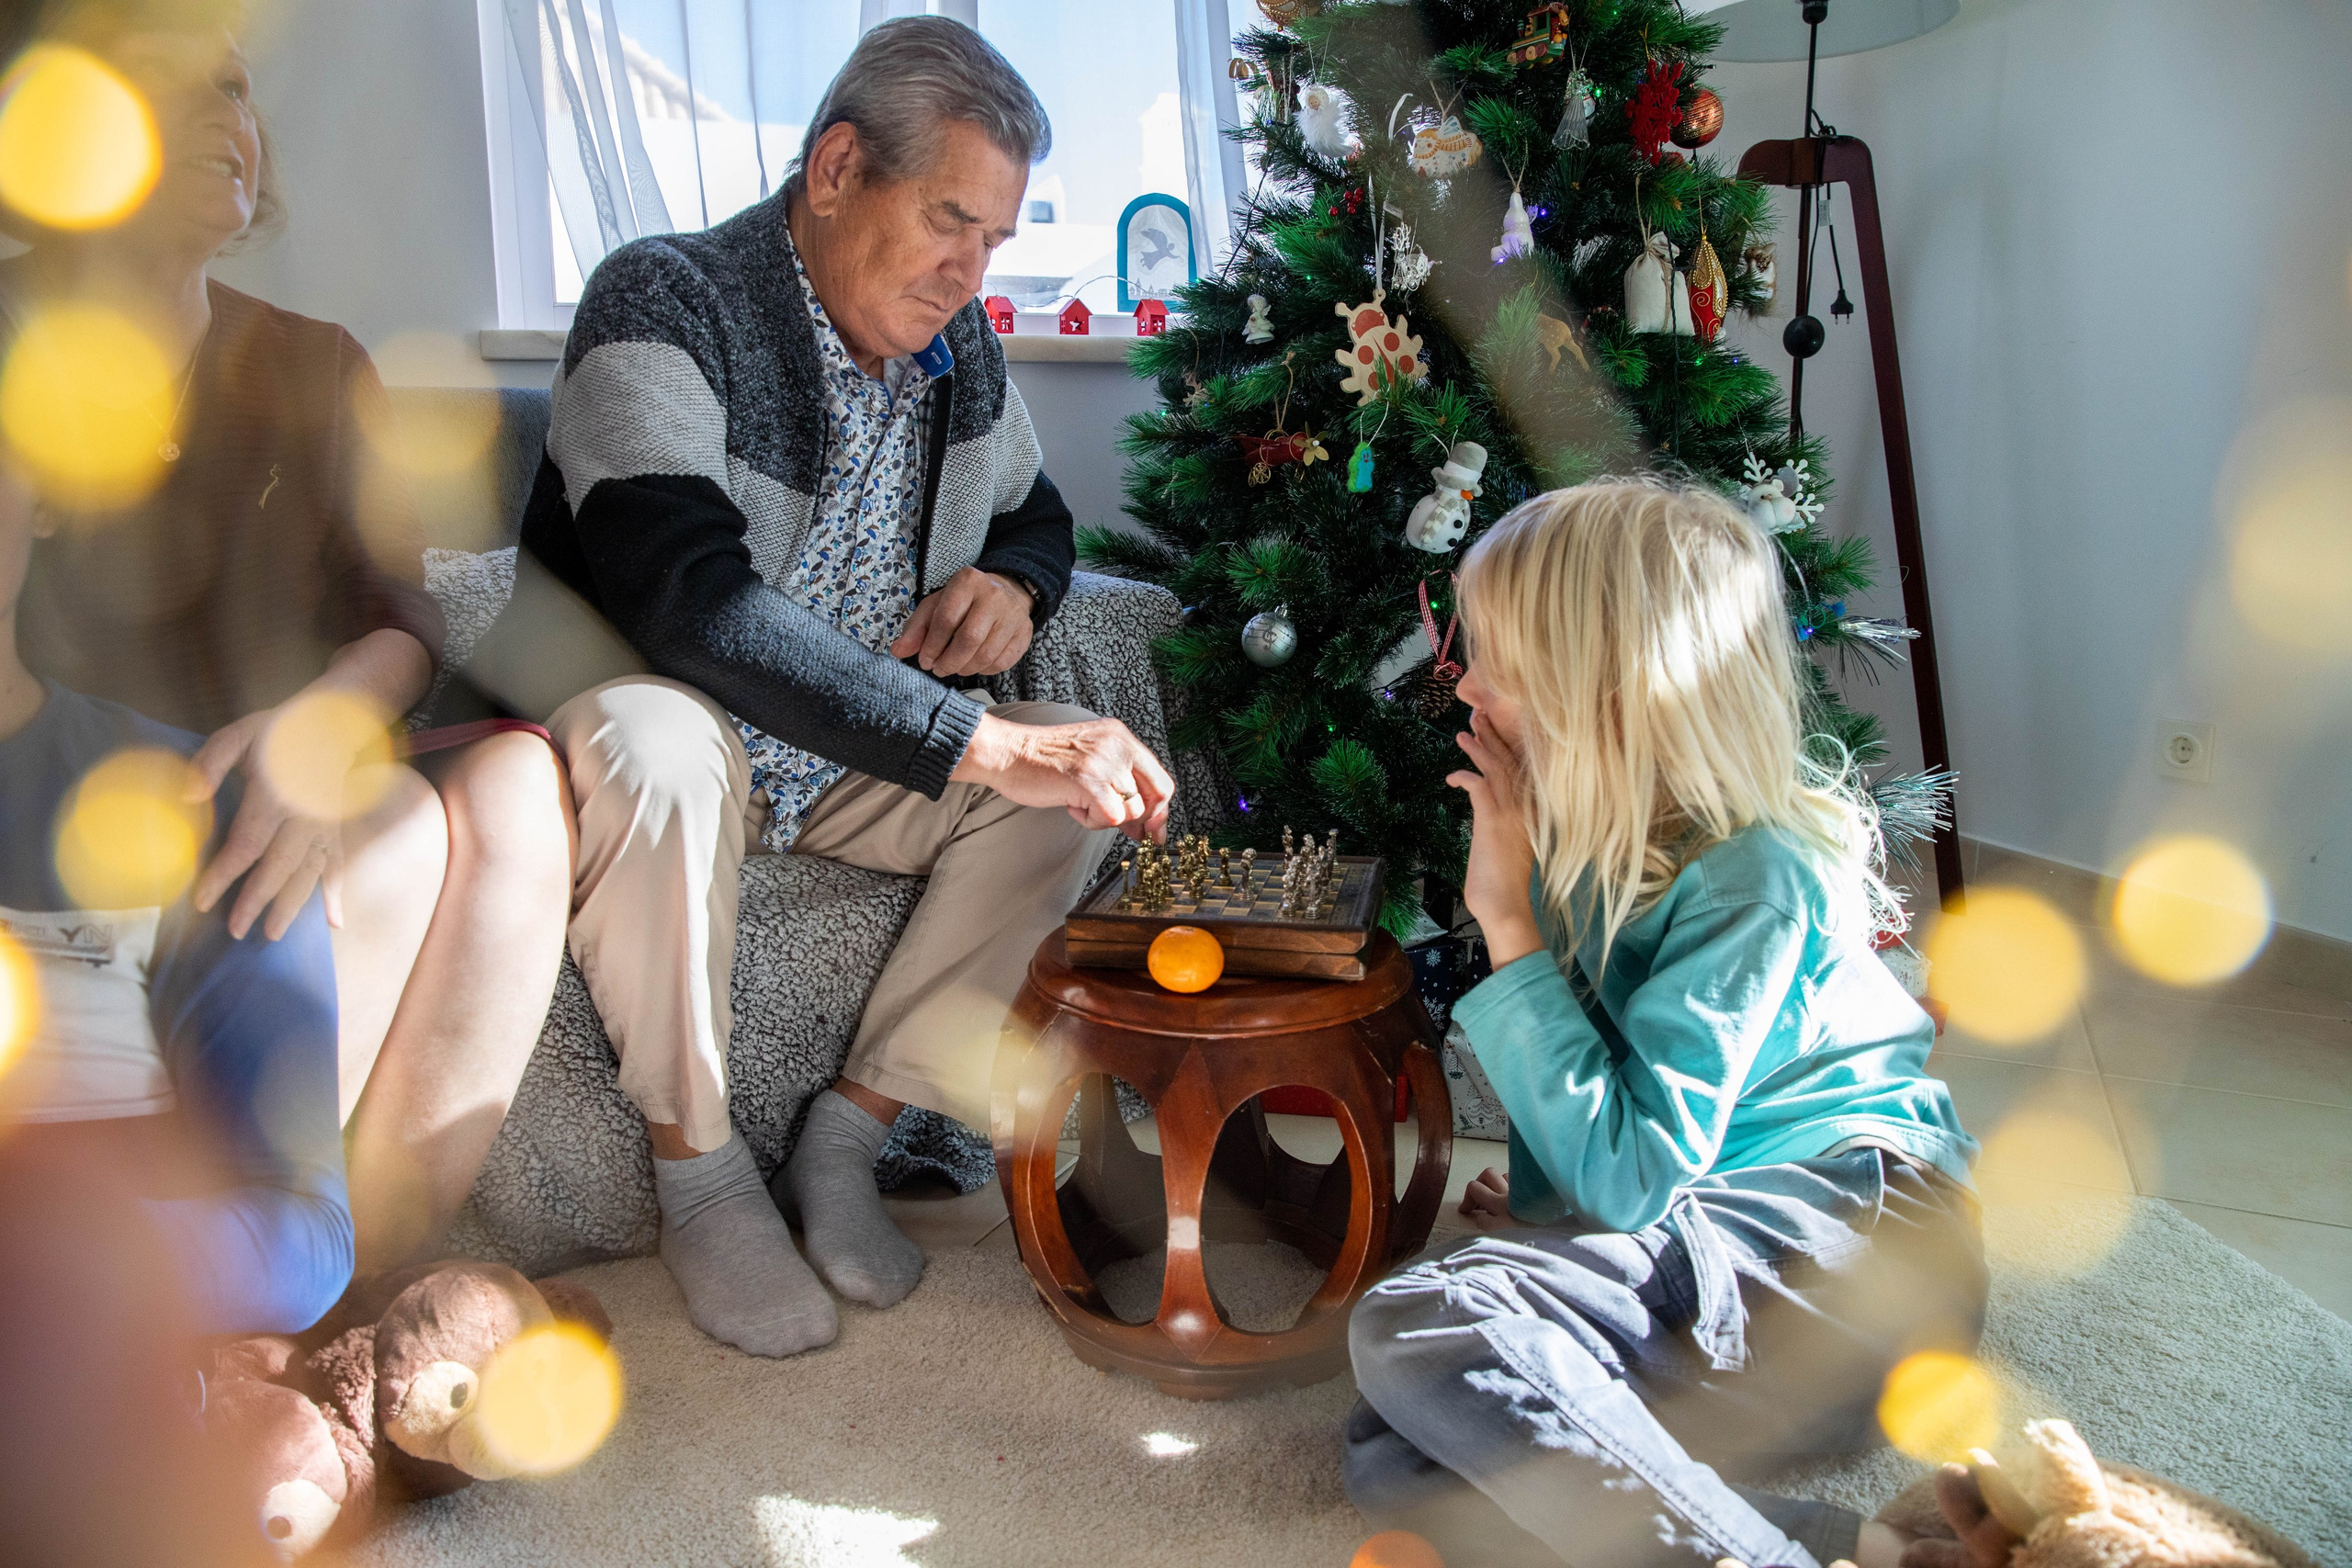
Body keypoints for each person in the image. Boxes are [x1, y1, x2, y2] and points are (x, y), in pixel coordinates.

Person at [507, 16, 1171, 1359]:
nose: (968, 270)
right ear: (833, 168)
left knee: (1075, 779)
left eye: (994, 238)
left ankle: (849, 1132)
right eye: (948, 219)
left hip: (852, 759)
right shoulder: (667, 300)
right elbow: (685, 604)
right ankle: (700, 1175)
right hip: (666, 716)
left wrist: (1018, 588)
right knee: (665, 744)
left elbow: (1041, 513)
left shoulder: (956, 352)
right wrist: (971, 737)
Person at [2, 0, 574, 1278]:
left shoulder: (315, 365)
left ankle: (363, 1286)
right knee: (403, 832)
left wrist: (320, 731)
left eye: (238, 90)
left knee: (519, 789)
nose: (230, 118)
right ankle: (226, 1281)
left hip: (288, 760)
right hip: (96, 807)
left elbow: (405, 615)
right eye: (180, 85)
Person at [1341, 480, 1987, 1568]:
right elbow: (1619, 1115)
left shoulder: (1757, 874)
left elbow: (1634, 1179)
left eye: (1493, 656)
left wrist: (1504, 917)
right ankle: (1867, 1550)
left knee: (1428, 1324)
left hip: (1857, 1266)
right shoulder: (1594, 839)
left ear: (1600, 689)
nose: (1469, 685)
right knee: (1394, 1453)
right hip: (1724, 1275)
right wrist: (1557, 1227)